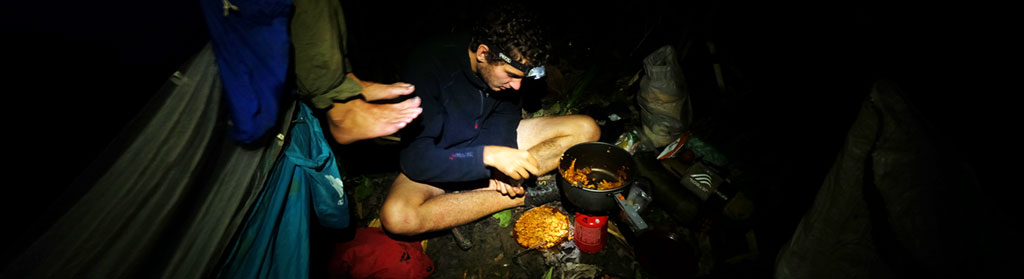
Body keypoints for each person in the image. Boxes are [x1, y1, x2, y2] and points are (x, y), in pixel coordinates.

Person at [379, 4, 601, 240]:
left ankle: (498, 186)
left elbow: (506, 115)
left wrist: (500, 164)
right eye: (511, 75)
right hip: (443, 158)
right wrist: (486, 157)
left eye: (521, 78)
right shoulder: (427, 66)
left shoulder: (504, 72)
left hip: (487, 147)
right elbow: (416, 160)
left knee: (586, 129)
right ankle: (523, 196)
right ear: (483, 53)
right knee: (399, 217)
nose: (517, 85)